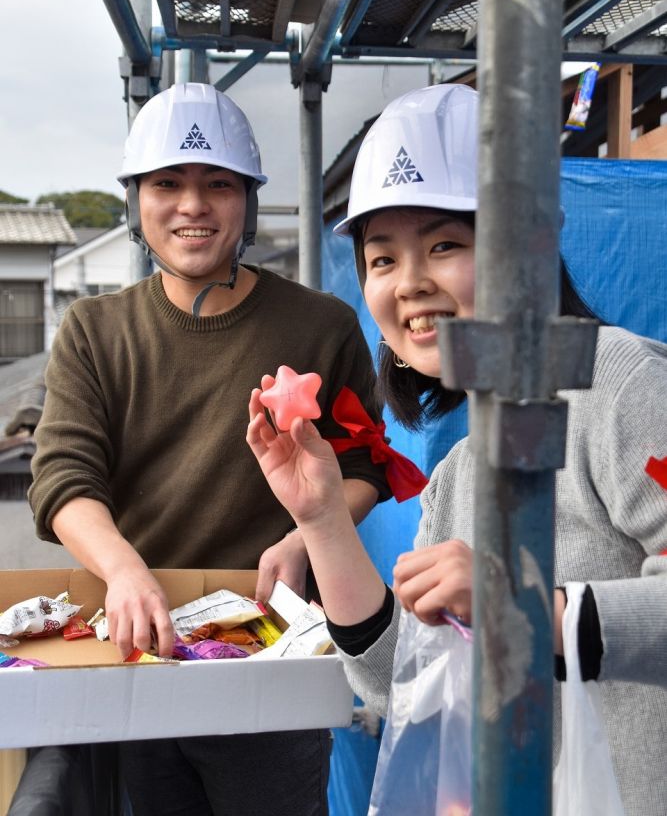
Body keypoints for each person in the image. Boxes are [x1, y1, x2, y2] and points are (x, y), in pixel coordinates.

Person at [247, 82, 667, 815]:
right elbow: (397, 682)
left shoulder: (621, 384)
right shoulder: (458, 473)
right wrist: (319, 518)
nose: (409, 284)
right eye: (381, 259)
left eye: (444, 244)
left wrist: (529, 611)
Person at [29, 82, 392, 816]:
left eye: (217, 184)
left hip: (276, 644)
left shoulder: (321, 326)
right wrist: (125, 573)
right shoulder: (95, 331)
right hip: (138, 645)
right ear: (136, 202)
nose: (192, 205)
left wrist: (306, 536)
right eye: (167, 183)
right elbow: (63, 478)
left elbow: (365, 466)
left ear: (247, 201)